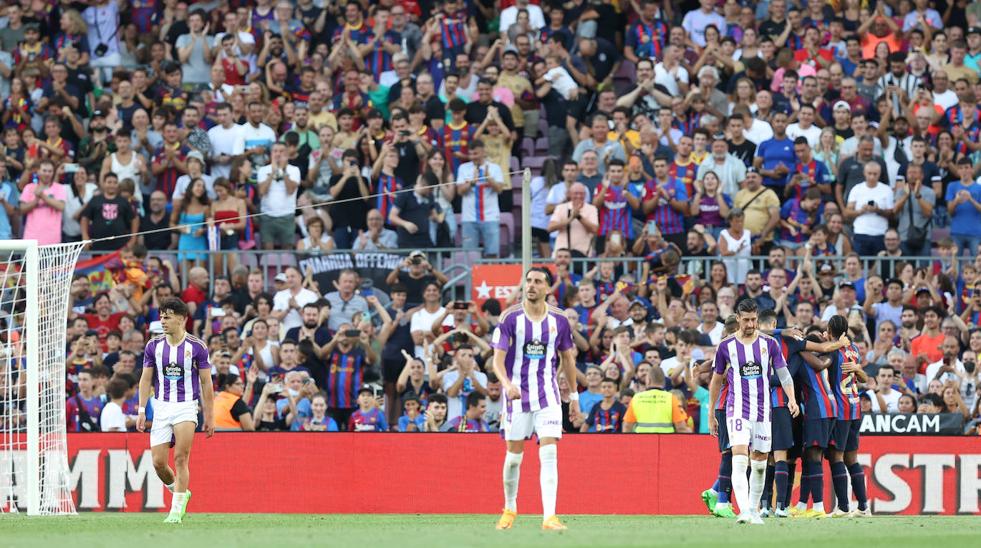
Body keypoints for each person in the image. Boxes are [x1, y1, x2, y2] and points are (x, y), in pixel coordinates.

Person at [492, 267, 580, 531]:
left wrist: (573, 397)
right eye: (528, 281)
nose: (531, 285)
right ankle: (510, 508)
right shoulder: (510, 318)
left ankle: (549, 517)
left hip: (548, 395)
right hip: (516, 396)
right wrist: (506, 384)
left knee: (550, 452)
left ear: (547, 288)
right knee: (514, 458)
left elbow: (568, 358)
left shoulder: (559, 320)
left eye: (537, 281)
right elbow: (496, 360)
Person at [708, 299, 799, 525]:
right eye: (746, 319)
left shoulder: (769, 344)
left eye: (753, 319)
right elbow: (716, 380)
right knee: (739, 458)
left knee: (759, 461)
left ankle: (753, 508)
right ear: (738, 318)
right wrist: (711, 413)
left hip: (763, 410)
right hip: (736, 409)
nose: (750, 324)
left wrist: (792, 399)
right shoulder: (726, 346)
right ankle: (745, 511)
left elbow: (784, 374)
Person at [137, 297, 215, 524]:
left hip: (186, 407)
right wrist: (142, 410)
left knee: (181, 458)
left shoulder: (197, 347)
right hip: (160, 406)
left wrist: (209, 416)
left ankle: (175, 512)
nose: (162, 320)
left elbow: (206, 383)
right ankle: (181, 492)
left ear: (182, 319)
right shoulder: (153, 346)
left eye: (167, 317)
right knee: (159, 463)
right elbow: (145, 379)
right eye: (161, 316)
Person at [827, 317, 871, 517]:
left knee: (837, 457)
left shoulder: (832, 350)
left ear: (829, 330)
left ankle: (843, 507)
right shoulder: (853, 349)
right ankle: (863, 506)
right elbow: (865, 379)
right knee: (852, 458)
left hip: (841, 411)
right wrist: (857, 368)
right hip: (855, 408)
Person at [622, 367, 689, 433]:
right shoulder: (671, 398)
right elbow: (681, 428)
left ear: (648, 380)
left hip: (642, 441)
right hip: (665, 441)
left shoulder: (637, 398)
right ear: (664, 381)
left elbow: (627, 426)